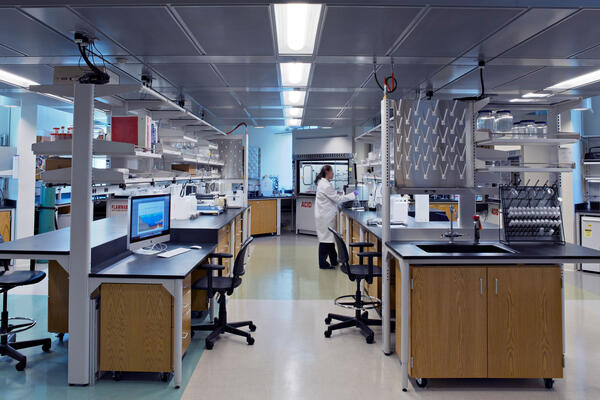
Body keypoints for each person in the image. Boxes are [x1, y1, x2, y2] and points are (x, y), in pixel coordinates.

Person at [314, 165, 357, 269]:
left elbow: (333, 196)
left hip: (324, 215)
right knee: (325, 239)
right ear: (327, 172)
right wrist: (352, 195)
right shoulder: (325, 185)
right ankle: (323, 264)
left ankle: (334, 261)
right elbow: (337, 199)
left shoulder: (324, 183)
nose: (333, 174)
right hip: (325, 216)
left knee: (329, 239)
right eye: (332, 172)